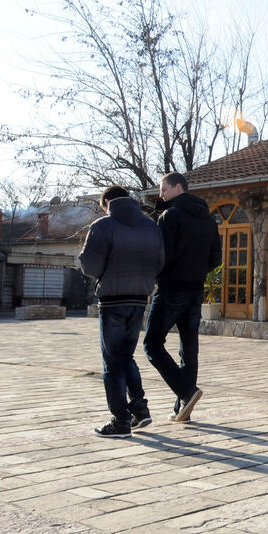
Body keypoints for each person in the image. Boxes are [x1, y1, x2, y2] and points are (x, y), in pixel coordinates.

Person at [79, 186, 165, 438]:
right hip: (139, 299)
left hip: (112, 300)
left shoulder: (102, 226)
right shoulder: (151, 227)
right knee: (126, 357)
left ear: (106, 202)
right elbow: (160, 263)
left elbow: (90, 265)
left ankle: (120, 420)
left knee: (112, 362)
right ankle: (140, 409)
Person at [143, 172, 221, 423]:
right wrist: (197, 271)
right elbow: (216, 259)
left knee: (152, 344)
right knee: (189, 347)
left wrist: (161, 275)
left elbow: (159, 254)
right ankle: (183, 409)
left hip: (171, 287)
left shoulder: (171, 216)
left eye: (164, 189)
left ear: (179, 187)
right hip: (196, 288)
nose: (161, 195)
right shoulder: (209, 220)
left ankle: (186, 392)